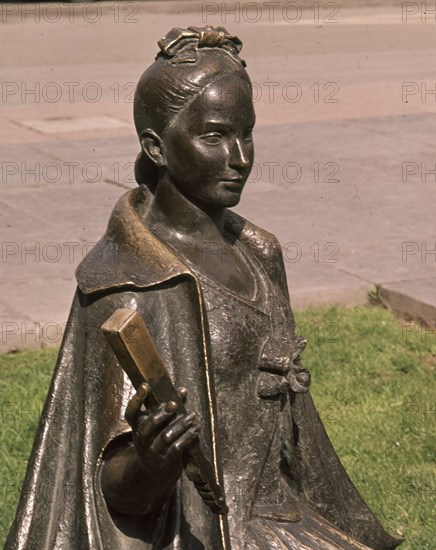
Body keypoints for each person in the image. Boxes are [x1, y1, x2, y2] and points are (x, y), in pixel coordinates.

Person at [6, 26, 402, 550]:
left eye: (247, 133)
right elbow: (108, 489)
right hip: (200, 531)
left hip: (281, 516)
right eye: (213, 136)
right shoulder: (126, 283)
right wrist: (152, 464)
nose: (239, 157)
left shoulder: (260, 254)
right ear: (157, 146)